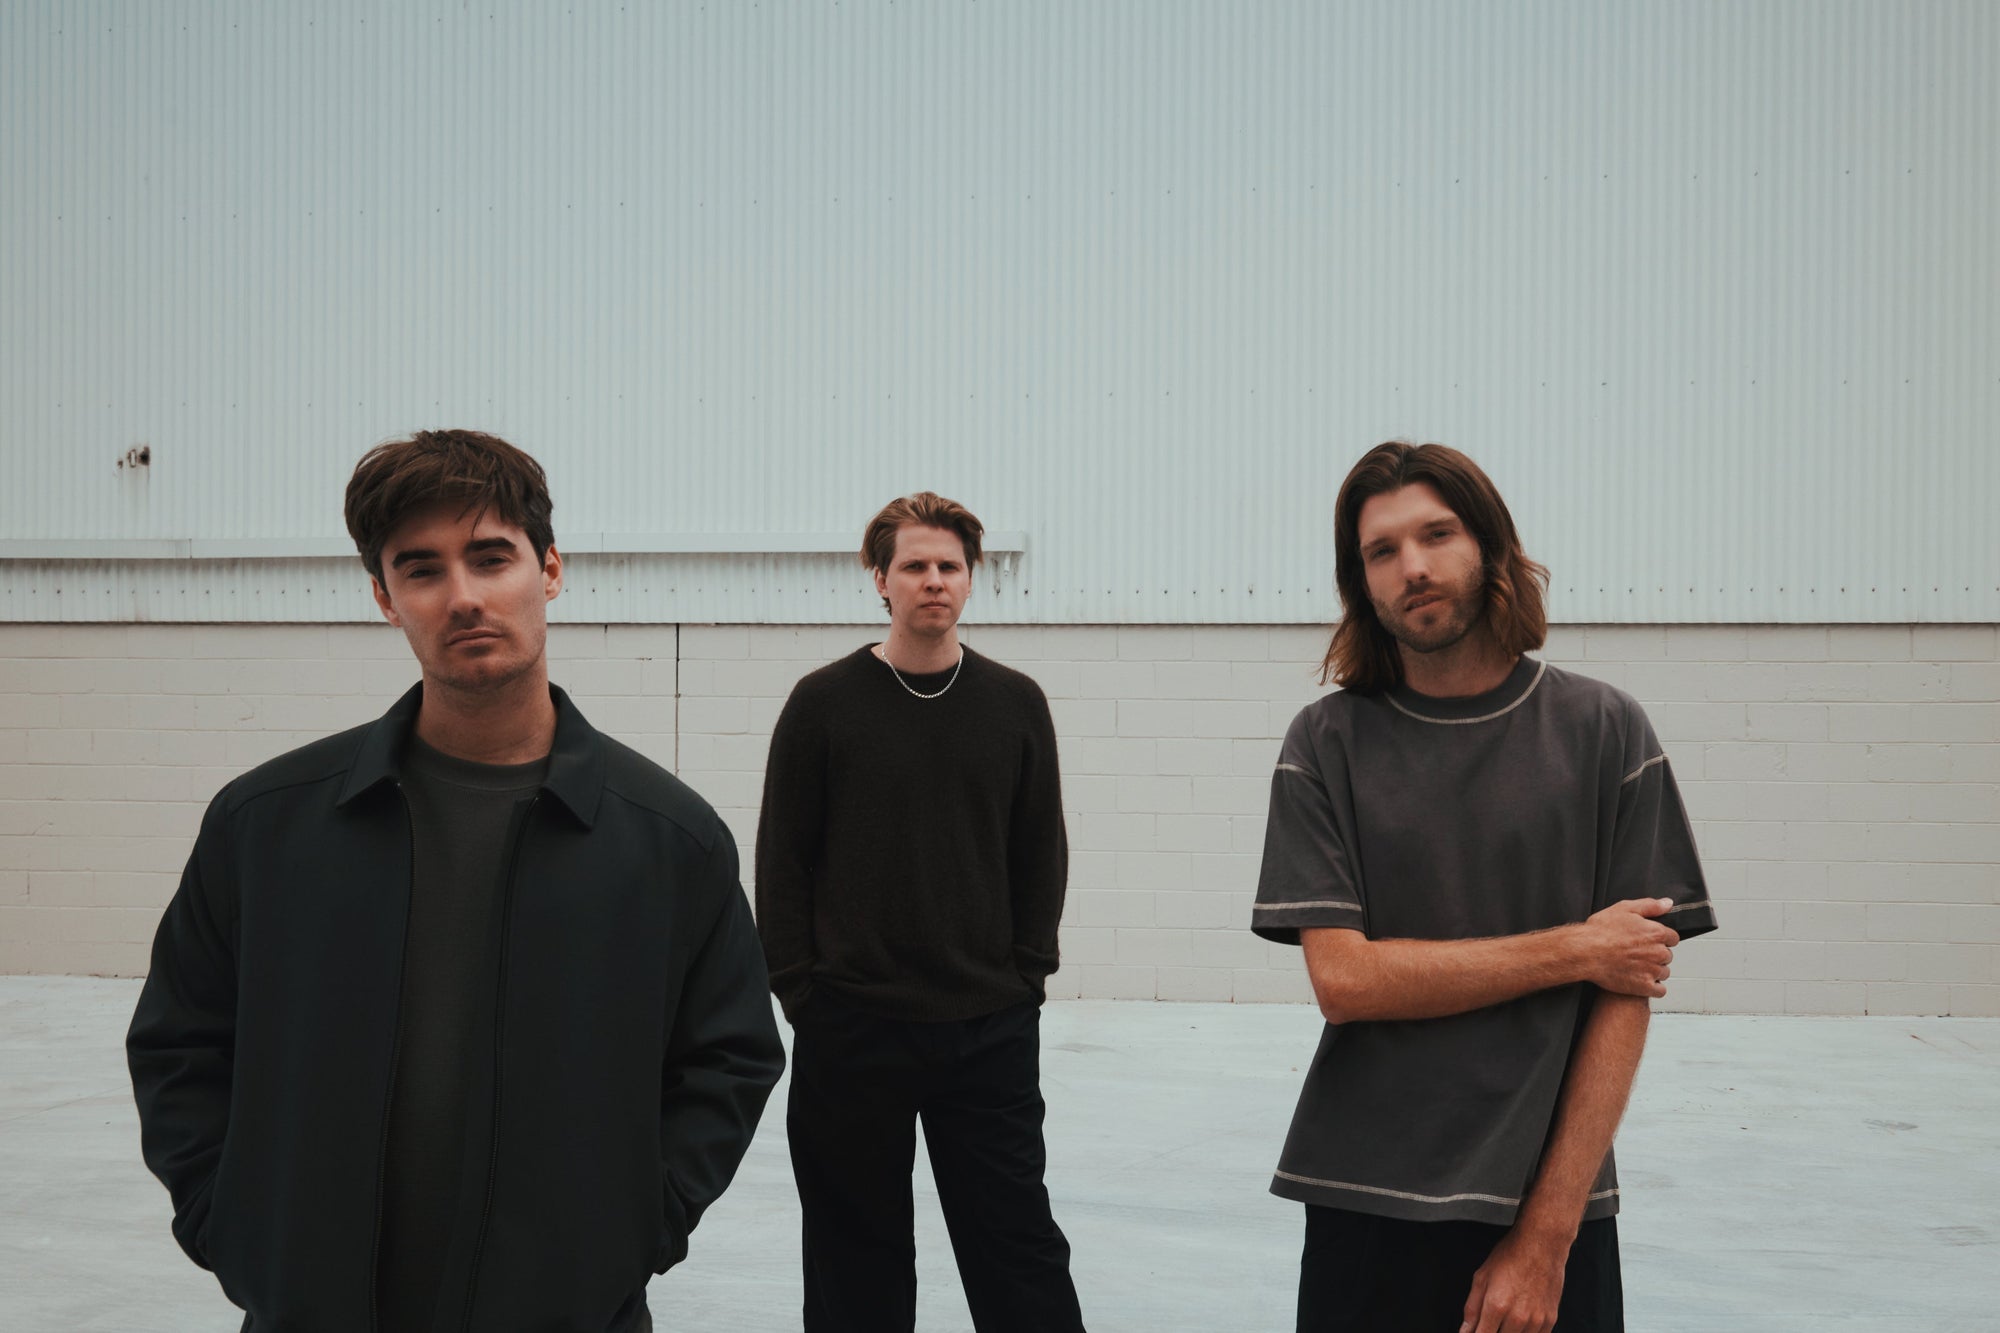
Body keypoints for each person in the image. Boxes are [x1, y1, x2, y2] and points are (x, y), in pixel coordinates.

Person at [127, 429, 784, 1333]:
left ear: (549, 569)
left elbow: (731, 1055)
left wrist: (636, 1226)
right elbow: (180, 1040)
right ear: (384, 596)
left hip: (567, 1312)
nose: (464, 595)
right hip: (312, 1310)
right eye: (422, 568)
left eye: (490, 557)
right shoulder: (265, 823)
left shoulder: (669, 838)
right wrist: (231, 1223)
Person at [1251, 441, 1716, 1333]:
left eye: (1436, 534)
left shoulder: (1606, 730)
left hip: (1548, 1200)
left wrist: (1546, 1236)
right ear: (1360, 582)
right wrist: (1576, 948)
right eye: (1381, 550)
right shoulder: (1325, 742)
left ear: (1490, 545)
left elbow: (1627, 987)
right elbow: (1345, 981)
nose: (1412, 567)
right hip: (1363, 1193)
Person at [756, 491, 1085, 1332]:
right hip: (852, 1028)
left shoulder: (1015, 703)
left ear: (971, 579)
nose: (933, 579)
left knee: (1016, 1245)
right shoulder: (823, 703)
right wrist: (804, 996)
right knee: (854, 1256)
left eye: (949, 565)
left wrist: (1025, 979)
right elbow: (783, 860)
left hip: (987, 1027)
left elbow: (1039, 852)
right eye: (914, 565)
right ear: (880, 579)